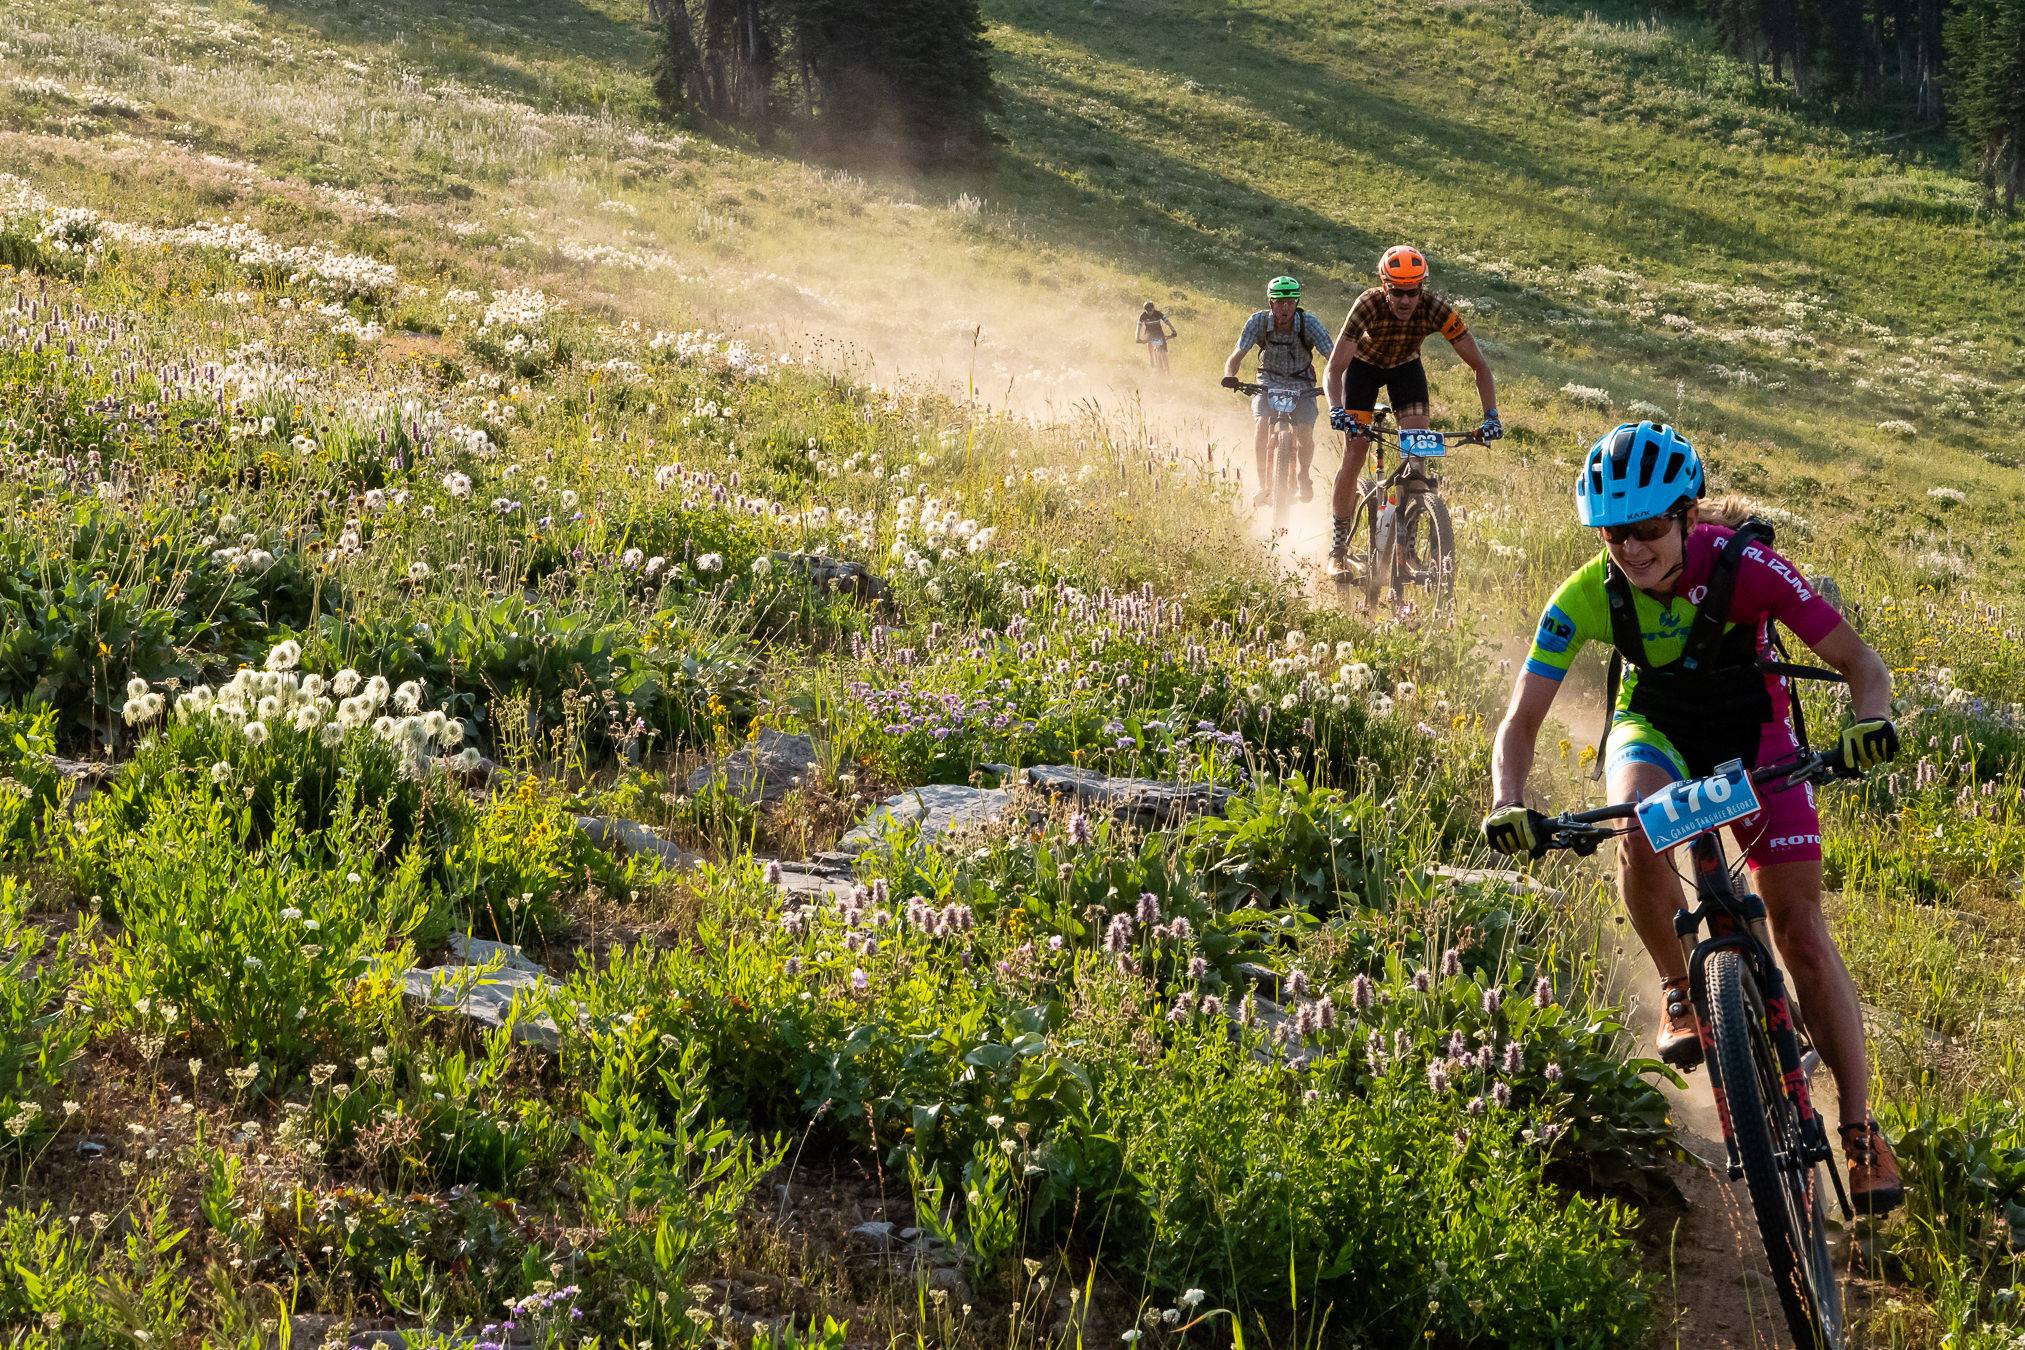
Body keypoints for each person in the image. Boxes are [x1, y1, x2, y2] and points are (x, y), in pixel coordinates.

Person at [1481, 421, 1904, 1213]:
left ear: (1686, 515)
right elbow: (1520, 721)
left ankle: (1857, 1130)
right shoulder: (1586, 595)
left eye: (1646, 530)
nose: (1629, 550)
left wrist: (1869, 721)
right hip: (1657, 726)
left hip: (1756, 728)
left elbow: (1860, 665)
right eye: (1612, 534)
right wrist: (1506, 800)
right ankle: (1681, 988)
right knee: (1640, 822)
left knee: (1802, 930)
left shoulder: (1749, 568)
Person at [1323, 246, 1502, 576]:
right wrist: (1337, 410)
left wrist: (1491, 415)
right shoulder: (1368, 304)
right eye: (1398, 292)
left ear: (1422, 288)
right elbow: (1334, 369)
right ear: (1384, 286)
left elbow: (1479, 365)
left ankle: (1406, 550)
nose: (1406, 300)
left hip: (1405, 370)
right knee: (1356, 451)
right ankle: (1338, 547)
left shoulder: (1435, 308)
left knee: (1416, 455)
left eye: (1413, 292)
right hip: (1362, 369)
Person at [1221, 275, 1334, 506]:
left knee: (1304, 431)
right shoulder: (1258, 322)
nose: (1285, 307)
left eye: (1291, 302)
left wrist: (1338, 381)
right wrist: (1229, 375)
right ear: (1270, 302)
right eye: (1279, 301)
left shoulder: (1309, 323)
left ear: (1297, 302)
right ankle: (1263, 484)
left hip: (1302, 383)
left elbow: (1332, 356)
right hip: (1268, 380)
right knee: (1262, 423)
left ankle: (1303, 476)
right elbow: (1237, 354)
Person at [1136, 301, 1177, 373]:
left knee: (1163, 350)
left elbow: (1168, 322)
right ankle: (1151, 357)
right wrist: (1137, 337)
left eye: (1151, 310)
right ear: (1145, 310)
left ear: (1153, 309)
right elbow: (1138, 327)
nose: (1149, 312)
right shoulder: (1143, 316)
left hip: (1159, 333)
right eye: (1147, 311)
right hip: (1149, 333)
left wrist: (1173, 331)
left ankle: (1167, 370)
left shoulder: (1158, 314)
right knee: (1149, 343)